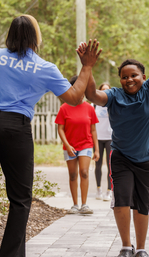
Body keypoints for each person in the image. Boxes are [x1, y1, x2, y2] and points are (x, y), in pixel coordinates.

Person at [0, 14, 101, 257]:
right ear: (35, 37)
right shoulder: (44, 67)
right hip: (14, 130)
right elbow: (74, 98)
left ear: (10, 34)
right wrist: (87, 66)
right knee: (20, 200)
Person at [85, 14, 149, 257]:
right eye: (124, 76)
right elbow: (93, 96)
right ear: (120, 79)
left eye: (134, 75)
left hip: (147, 159)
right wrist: (88, 67)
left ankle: (141, 249)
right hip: (122, 157)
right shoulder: (114, 96)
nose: (129, 79)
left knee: (142, 204)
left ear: (143, 77)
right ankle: (127, 246)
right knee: (122, 199)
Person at [55, 75, 100, 215]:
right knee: (73, 174)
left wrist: (96, 149)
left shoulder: (89, 108)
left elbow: (93, 130)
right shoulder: (64, 108)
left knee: (84, 173)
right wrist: (67, 145)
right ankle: (75, 205)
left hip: (86, 144)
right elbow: (60, 129)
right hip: (70, 146)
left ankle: (84, 205)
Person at [94, 82, 113, 201]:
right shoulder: (94, 105)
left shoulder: (112, 104)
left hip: (110, 138)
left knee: (111, 166)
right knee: (98, 165)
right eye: (103, 90)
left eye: (107, 90)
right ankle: (98, 189)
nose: (105, 92)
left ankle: (109, 191)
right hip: (97, 138)